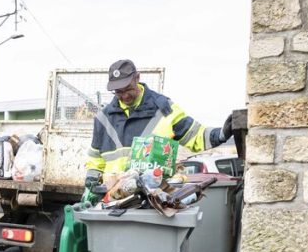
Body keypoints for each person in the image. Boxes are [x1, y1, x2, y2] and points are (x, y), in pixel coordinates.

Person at [76, 59, 234, 208]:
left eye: (128, 89)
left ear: (137, 78)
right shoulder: (103, 119)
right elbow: (95, 160)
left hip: (153, 204)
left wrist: (220, 134)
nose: (124, 96)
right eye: (118, 92)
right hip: (113, 201)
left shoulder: (164, 110)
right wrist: (90, 184)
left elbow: (195, 135)